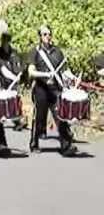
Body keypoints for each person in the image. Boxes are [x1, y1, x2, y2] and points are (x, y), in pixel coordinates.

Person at [27, 25, 78, 157]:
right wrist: (44, 75)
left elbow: (64, 69)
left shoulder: (57, 52)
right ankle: (34, 142)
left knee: (61, 115)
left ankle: (66, 146)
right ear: (40, 37)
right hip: (41, 88)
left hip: (55, 89)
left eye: (49, 34)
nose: (47, 36)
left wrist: (72, 77)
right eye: (44, 34)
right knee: (39, 116)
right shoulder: (35, 52)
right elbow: (31, 71)